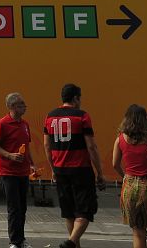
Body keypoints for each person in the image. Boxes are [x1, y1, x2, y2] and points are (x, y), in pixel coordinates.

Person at [43, 83, 107, 248]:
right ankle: (71, 242)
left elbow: (47, 146)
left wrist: (53, 169)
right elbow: (91, 146)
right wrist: (99, 172)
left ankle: (74, 245)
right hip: (80, 169)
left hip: (60, 169)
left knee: (69, 212)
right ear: (76, 98)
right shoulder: (82, 116)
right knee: (86, 209)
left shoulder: (50, 116)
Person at [112, 104, 147, 248]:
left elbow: (115, 164)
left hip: (129, 187)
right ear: (145, 119)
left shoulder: (120, 139)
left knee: (138, 232)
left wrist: (125, 176)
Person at [0, 92, 36, 248]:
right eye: (21, 104)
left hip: (23, 172)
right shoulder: (3, 124)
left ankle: (21, 239)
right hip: (8, 172)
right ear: (12, 106)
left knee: (22, 207)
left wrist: (32, 164)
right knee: (14, 207)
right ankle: (14, 242)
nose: (25, 107)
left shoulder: (25, 124)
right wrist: (9, 155)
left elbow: (27, 147)